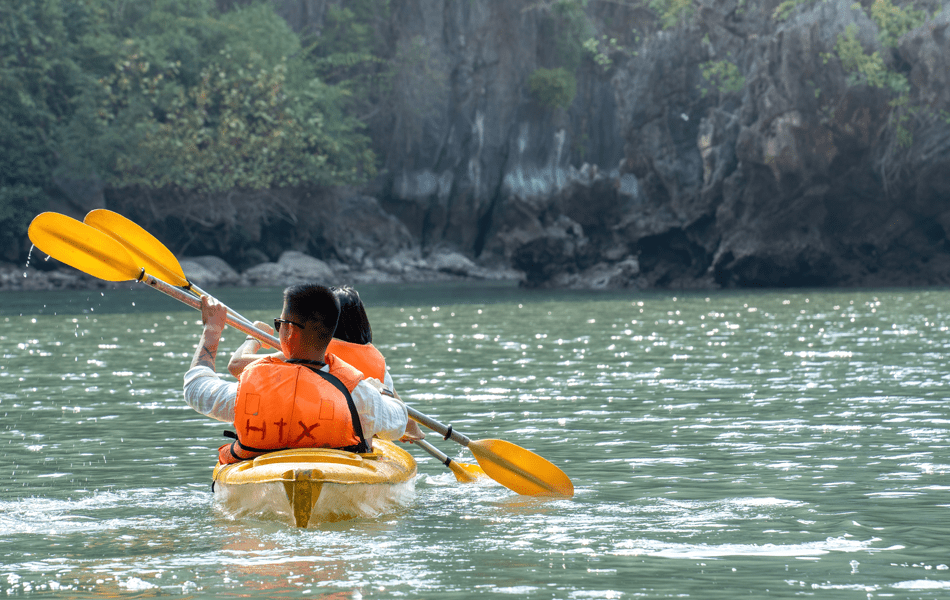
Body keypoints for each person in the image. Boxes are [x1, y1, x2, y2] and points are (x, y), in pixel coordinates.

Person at [183, 283, 415, 464]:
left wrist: (212, 330)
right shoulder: (359, 394)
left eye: (279, 323)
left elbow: (195, 388)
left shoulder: (247, 389)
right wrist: (381, 392)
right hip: (339, 471)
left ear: (290, 330)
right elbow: (398, 421)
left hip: (262, 478)